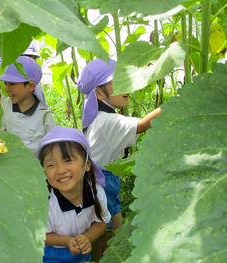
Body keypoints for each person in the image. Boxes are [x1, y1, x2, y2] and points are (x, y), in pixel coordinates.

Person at [78, 57, 162, 259]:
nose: (126, 87)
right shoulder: (107, 120)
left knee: (115, 234)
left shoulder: (100, 115)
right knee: (104, 240)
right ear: (98, 93)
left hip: (104, 181)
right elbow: (141, 125)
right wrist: (174, 104)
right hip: (101, 185)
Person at [36, 125, 111, 263]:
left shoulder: (96, 193)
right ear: (44, 172)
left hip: (81, 253)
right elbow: (42, 235)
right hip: (50, 255)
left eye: (68, 160)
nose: (60, 170)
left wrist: (86, 238)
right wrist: (67, 241)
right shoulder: (46, 202)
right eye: (51, 165)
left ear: (87, 164)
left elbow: (101, 222)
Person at [0, 56, 54, 152]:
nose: (7, 89)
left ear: (31, 86)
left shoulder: (44, 114)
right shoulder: (7, 105)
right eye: (5, 84)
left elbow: (52, 145)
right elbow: (3, 132)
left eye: (12, 84)